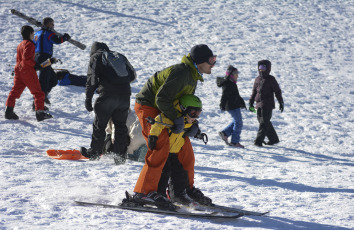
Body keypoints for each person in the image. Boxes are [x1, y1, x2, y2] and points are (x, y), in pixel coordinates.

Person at [131, 44, 216, 208]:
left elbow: (182, 104)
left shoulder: (192, 75)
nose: (213, 64)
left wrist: (190, 124)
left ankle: (182, 190)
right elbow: (161, 98)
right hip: (149, 106)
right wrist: (177, 119)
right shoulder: (182, 72)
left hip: (165, 109)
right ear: (200, 61)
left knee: (185, 149)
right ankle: (144, 192)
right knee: (160, 145)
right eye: (211, 60)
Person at [80, 42, 136, 165]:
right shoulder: (119, 56)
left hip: (107, 96)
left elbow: (92, 79)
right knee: (121, 126)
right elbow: (132, 75)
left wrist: (88, 99)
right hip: (124, 96)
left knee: (99, 125)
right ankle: (119, 157)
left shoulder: (96, 58)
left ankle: (94, 153)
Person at [5, 25, 53, 122]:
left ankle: (8, 111)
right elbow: (26, 59)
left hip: (18, 71)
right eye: (33, 33)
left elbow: (22, 59)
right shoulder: (30, 44)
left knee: (14, 91)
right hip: (27, 71)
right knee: (38, 93)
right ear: (30, 34)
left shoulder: (20, 44)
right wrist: (35, 65)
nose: (33, 35)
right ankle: (40, 113)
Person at [33, 17, 71, 105]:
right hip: (44, 58)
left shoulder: (36, 34)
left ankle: (44, 96)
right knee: (43, 81)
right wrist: (65, 37)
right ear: (48, 24)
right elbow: (57, 40)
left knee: (53, 79)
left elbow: (34, 44)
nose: (53, 26)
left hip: (38, 58)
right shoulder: (48, 33)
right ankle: (36, 104)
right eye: (52, 24)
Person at [249, 60, 284, 147]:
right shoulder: (257, 79)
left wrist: (281, 102)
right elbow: (254, 91)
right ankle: (273, 139)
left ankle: (258, 141)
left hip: (267, 104)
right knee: (263, 121)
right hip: (259, 103)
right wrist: (251, 102)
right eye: (260, 67)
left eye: (263, 67)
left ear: (268, 68)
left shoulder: (271, 79)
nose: (261, 70)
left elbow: (277, 91)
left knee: (264, 122)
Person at [217, 65, 246, 148]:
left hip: (235, 105)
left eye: (237, 74)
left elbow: (236, 95)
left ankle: (225, 133)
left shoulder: (232, 83)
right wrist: (222, 105)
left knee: (236, 121)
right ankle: (235, 142)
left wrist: (241, 102)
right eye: (235, 74)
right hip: (231, 106)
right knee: (239, 122)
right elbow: (224, 95)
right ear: (231, 75)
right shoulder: (228, 84)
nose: (237, 76)